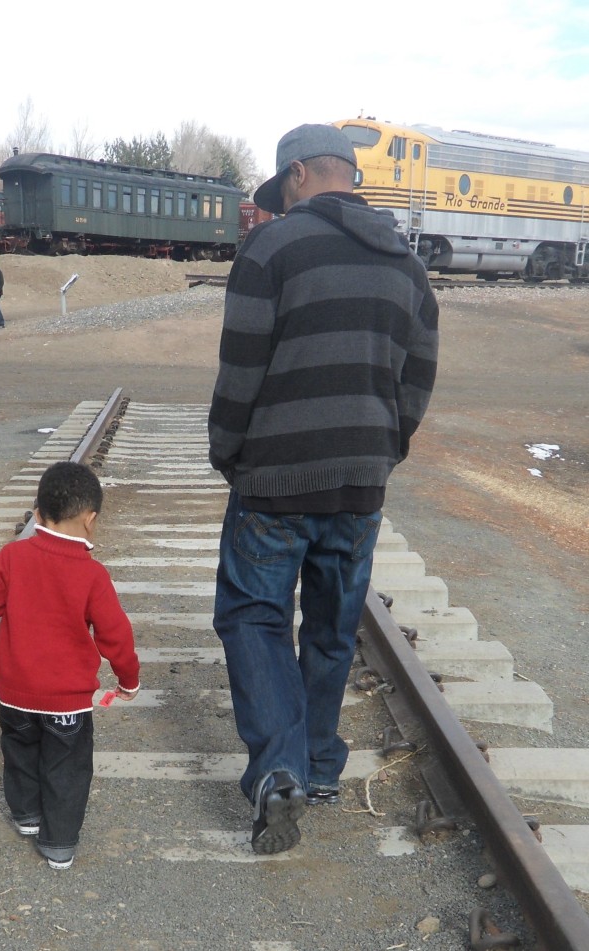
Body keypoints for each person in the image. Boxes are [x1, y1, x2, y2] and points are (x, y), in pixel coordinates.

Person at [208, 123, 439, 856]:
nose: (279, 204)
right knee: (334, 625)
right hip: (360, 483)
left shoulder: (270, 249)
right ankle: (321, 765)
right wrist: (386, 447)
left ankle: (281, 769)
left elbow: (241, 367)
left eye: (283, 190)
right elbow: (418, 374)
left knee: (253, 616)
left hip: (274, 478)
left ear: (301, 174)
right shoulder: (407, 264)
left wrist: (227, 452)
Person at [0, 461, 140, 870]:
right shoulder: (92, 574)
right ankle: (59, 843)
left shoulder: (13, 557)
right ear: (91, 519)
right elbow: (115, 635)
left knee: (20, 749)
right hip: (67, 702)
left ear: (39, 511)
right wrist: (128, 680)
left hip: (14, 690)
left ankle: (27, 816)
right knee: (67, 766)